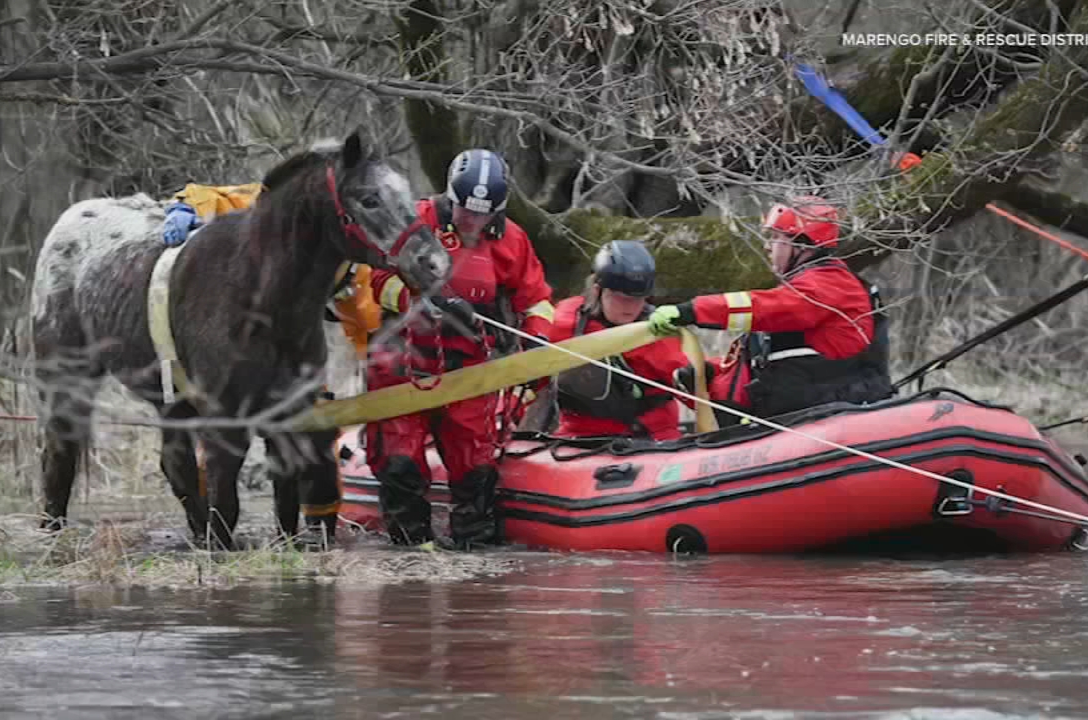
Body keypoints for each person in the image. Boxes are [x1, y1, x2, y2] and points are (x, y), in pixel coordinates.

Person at [365, 148, 555, 550]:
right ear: (450, 198)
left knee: (476, 468)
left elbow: (536, 299)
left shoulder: (513, 242)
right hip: (406, 364)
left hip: (471, 369)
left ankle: (476, 556)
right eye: (465, 211)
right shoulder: (413, 222)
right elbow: (381, 280)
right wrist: (422, 301)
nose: (472, 221)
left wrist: (536, 339)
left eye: (482, 215)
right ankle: (410, 549)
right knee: (400, 462)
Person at [647, 196, 892, 422]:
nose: (767, 247)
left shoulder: (825, 286)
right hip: (800, 414)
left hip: (832, 412)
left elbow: (764, 307)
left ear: (801, 245)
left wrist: (691, 311)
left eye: (775, 238)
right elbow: (760, 364)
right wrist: (707, 372)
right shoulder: (811, 284)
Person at [160, 181, 380, 359]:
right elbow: (212, 196)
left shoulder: (357, 263)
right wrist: (186, 207)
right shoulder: (274, 206)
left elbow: (369, 324)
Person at [545, 240, 690, 440]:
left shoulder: (657, 333)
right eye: (621, 297)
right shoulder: (565, 321)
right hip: (578, 435)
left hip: (648, 437)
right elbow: (531, 375)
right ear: (598, 291)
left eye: (638, 298)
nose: (630, 306)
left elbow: (692, 387)